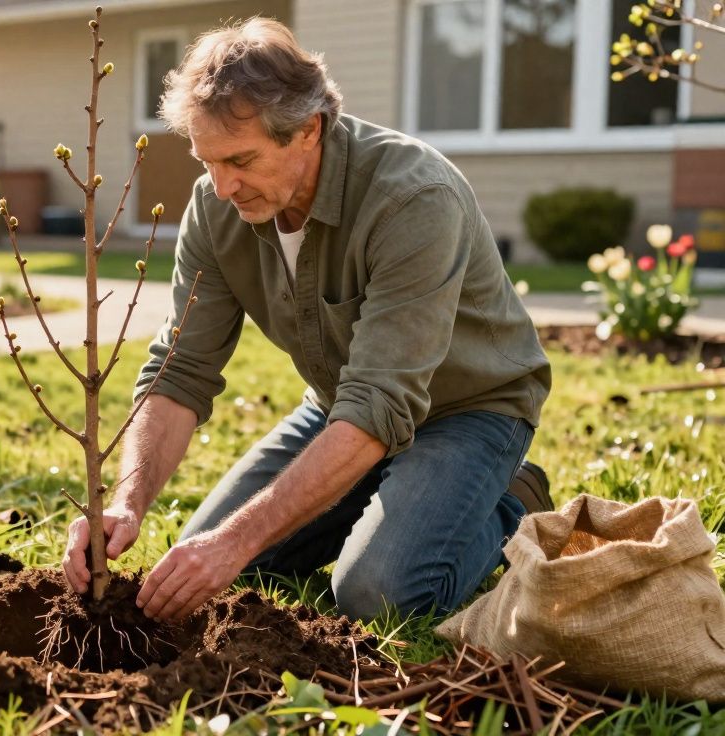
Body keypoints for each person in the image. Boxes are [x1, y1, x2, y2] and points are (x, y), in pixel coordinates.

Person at [61, 18, 553, 623]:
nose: (221, 185)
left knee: (378, 593)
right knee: (222, 561)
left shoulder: (413, 199)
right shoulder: (216, 207)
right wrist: (127, 503)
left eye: (240, 159)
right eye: (207, 160)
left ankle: (510, 501)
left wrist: (237, 540)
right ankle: (387, 489)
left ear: (308, 130)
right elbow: (181, 369)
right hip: (339, 407)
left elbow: (380, 401)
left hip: (467, 411)